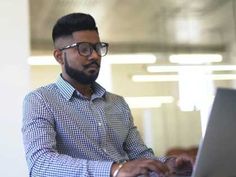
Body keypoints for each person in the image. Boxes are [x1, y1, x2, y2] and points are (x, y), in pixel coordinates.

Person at [22, 12, 194, 177]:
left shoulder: (117, 103)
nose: (95, 55)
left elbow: (140, 157)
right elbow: (40, 164)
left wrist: (169, 165)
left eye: (98, 47)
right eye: (84, 49)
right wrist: (115, 170)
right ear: (59, 57)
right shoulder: (40, 101)